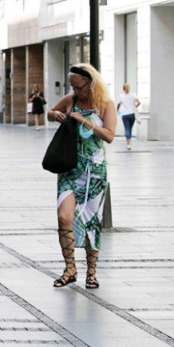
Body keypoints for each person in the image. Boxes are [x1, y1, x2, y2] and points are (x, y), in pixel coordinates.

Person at [47, 63, 116, 289]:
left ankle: (92, 273)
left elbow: (109, 136)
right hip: (70, 167)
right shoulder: (70, 100)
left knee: (91, 221)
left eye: (78, 88)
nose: (75, 92)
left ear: (91, 84)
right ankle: (70, 268)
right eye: (72, 88)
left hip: (94, 172)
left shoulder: (105, 104)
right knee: (64, 216)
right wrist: (56, 114)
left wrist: (84, 120)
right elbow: (50, 113)